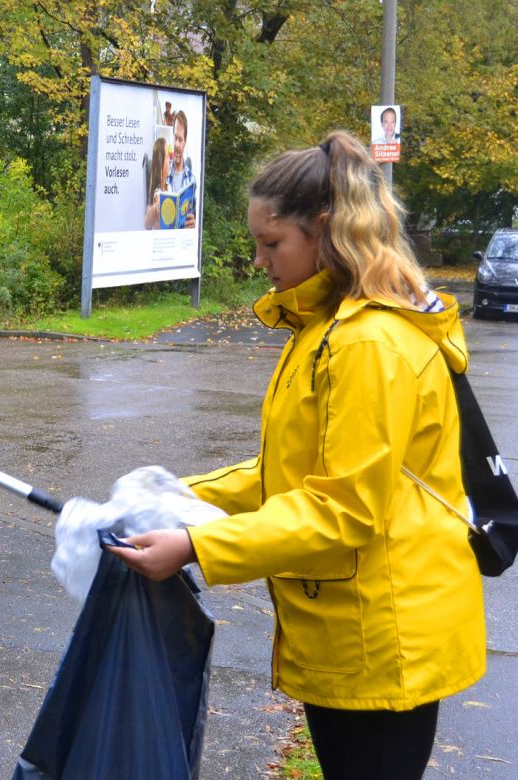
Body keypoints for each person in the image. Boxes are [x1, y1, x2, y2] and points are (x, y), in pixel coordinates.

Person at [108, 130, 486, 780]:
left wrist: (198, 546)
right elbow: (292, 471)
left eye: (271, 242)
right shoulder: (323, 329)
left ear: (327, 230)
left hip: (382, 638)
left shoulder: (367, 345)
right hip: (352, 630)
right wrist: (179, 495)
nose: (259, 260)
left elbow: (340, 511)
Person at [166, 110, 198, 229]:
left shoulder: (192, 180)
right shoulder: (163, 173)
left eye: (180, 140)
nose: (177, 145)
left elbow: (193, 218)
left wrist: (193, 224)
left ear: (185, 142)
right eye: (175, 138)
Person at [143, 137, 170, 230]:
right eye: (167, 157)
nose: (170, 160)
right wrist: (156, 206)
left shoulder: (168, 186)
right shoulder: (158, 192)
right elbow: (147, 224)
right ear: (161, 163)